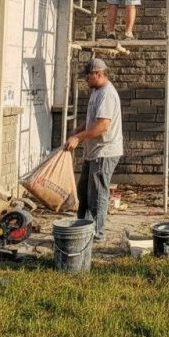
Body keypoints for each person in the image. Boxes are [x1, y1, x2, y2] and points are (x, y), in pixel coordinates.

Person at [64, 58, 122, 243]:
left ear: (98, 73)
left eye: (88, 75)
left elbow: (103, 126)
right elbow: (93, 119)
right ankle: (82, 228)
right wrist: (79, 130)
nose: (85, 79)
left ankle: (97, 233)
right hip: (94, 152)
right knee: (83, 191)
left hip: (105, 152)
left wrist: (78, 138)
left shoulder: (107, 94)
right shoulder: (96, 91)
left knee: (97, 193)